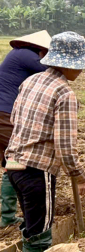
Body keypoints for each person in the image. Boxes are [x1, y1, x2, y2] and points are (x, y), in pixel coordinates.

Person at [5, 32, 85, 252]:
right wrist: (80, 176)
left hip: (14, 164)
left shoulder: (30, 81)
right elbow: (65, 147)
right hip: (37, 170)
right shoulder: (64, 93)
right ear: (65, 65)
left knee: (30, 222)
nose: (81, 70)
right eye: (79, 65)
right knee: (40, 232)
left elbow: (15, 120)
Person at [0, 31, 51, 229]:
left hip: (4, 112)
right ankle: (10, 215)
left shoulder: (18, 54)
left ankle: (7, 215)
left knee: (8, 161)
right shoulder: (25, 54)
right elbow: (55, 70)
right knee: (18, 158)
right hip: (4, 113)